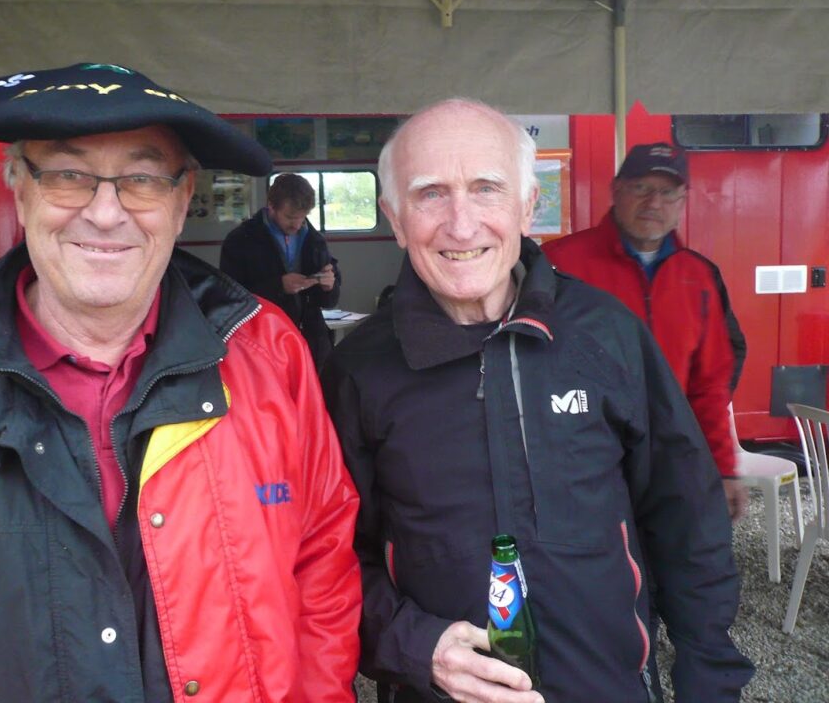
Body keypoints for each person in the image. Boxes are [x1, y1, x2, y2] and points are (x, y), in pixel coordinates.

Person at [0, 63, 361, 702]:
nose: (104, 213)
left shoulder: (268, 354)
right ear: (20, 191)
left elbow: (322, 564)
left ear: (182, 201)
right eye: (68, 175)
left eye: (142, 179)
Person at [321, 99, 753, 702]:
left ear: (527, 206)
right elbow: (326, 558)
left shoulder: (606, 333)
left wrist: (710, 677)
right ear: (394, 219)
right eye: (430, 194)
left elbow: (685, 514)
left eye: (486, 189)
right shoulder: (359, 371)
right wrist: (414, 645)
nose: (462, 225)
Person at [542, 142, 749, 522]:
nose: (654, 202)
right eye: (641, 187)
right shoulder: (558, 264)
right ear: (616, 190)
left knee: (679, 554)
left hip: (672, 462)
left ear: (683, 201)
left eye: (668, 192)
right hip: (583, 464)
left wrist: (723, 467)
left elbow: (710, 385)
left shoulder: (698, 277)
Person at [220, 172, 341, 369]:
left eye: (302, 217)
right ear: (271, 206)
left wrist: (329, 287)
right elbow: (228, 298)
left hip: (311, 343)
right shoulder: (241, 240)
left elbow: (329, 302)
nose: (297, 225)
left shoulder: (315, 241)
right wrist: (278, 286)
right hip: (261, 341)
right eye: (290, 217)